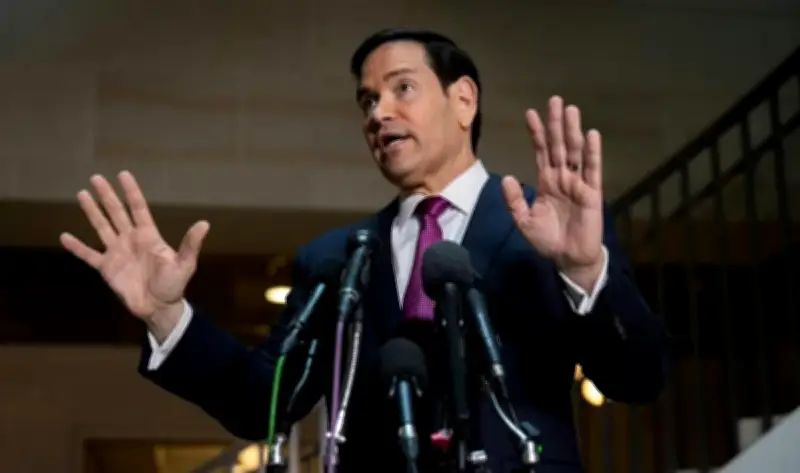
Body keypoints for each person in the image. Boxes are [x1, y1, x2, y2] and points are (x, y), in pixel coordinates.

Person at [60, 28, 667, 473]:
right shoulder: (336, 259)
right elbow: (262, 404)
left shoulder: (549, 228)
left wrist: (584, 269)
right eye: (368, 101)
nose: (379, 113)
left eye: (402, 88)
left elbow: (637, 378)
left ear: (464, 100)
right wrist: (166, 315)